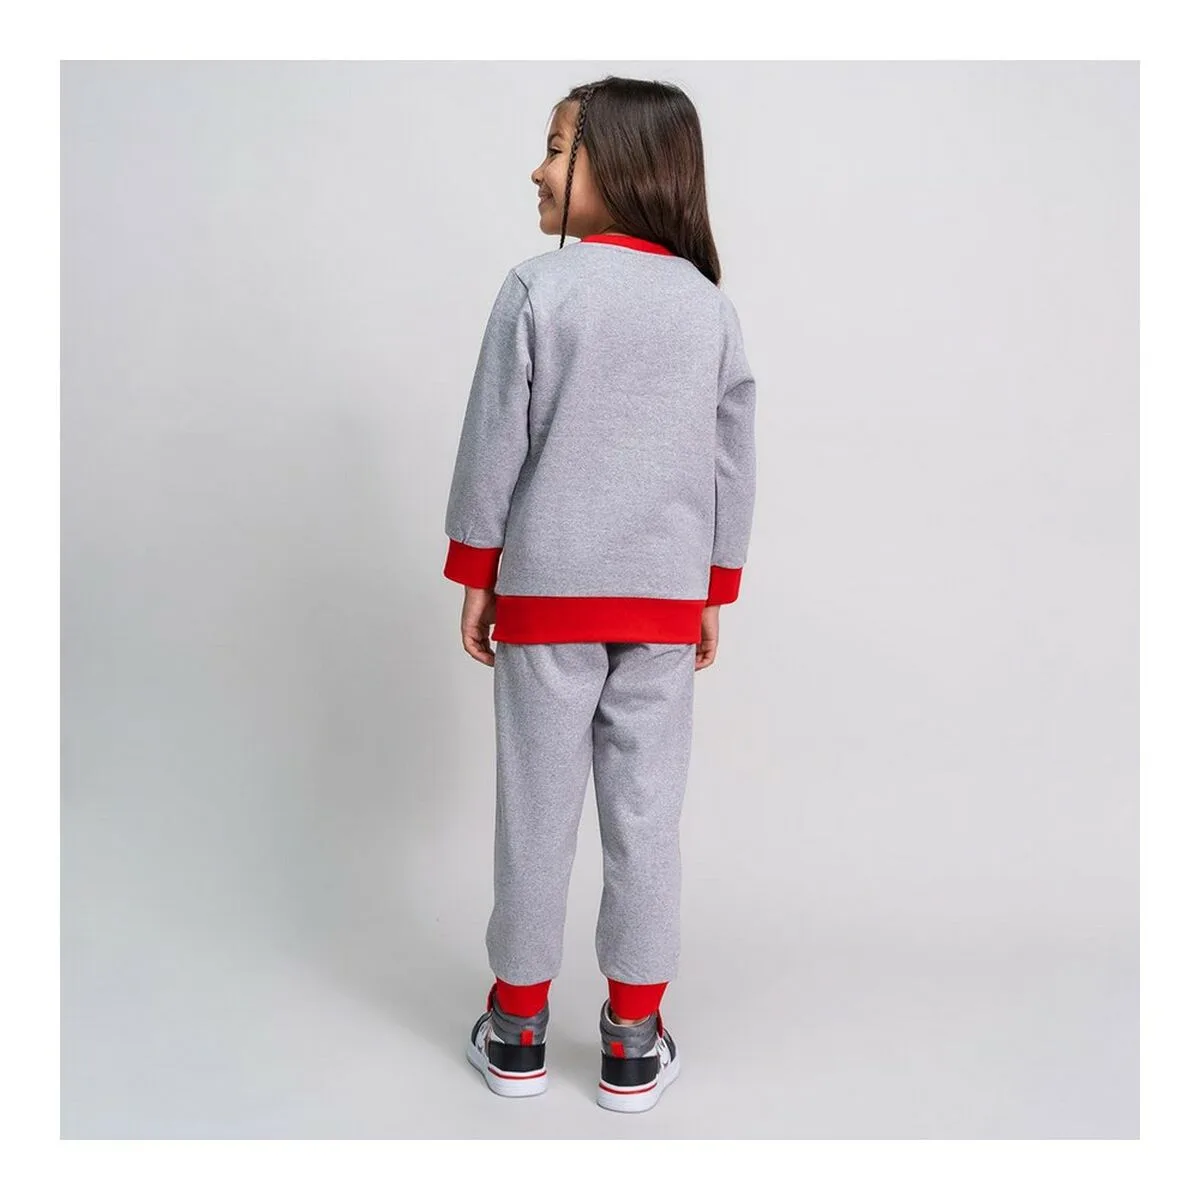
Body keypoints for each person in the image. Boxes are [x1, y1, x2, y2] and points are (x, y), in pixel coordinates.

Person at [444, 76, 757, 1112]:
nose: (537, 169)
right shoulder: (709, 308)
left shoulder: (538, 290)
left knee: (534, 816)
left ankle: (518, 1030)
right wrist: (711, 588)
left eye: (555, 147)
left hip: (548, 598)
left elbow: (493, 442)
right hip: (662, 607)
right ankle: (632, 1041)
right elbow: (730, 458)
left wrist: (477, 571)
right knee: (646, 820)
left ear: (614, 163)